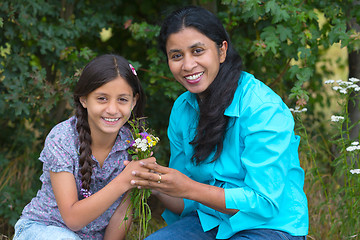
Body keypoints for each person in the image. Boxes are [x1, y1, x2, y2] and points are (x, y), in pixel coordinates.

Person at [129, 6, 309, 240]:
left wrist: (188, 188)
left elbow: (264, 203)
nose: (187, 65)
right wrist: (155, 182)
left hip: (270, 227)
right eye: (176, 55)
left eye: (197, 51)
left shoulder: (262, 108)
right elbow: (187, 203)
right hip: (208, 221)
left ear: (222, 51)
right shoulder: (183, 109)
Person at [13, 54, 155, 240]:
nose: (112, 109)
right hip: (44, 229)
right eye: (102, 98)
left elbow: (122, 214)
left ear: (133, 101)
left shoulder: (135, 144)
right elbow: (72, 219)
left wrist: (136, 179)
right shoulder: (63, 138)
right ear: (84, 99)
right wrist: (125, 180)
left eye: (122, 100)